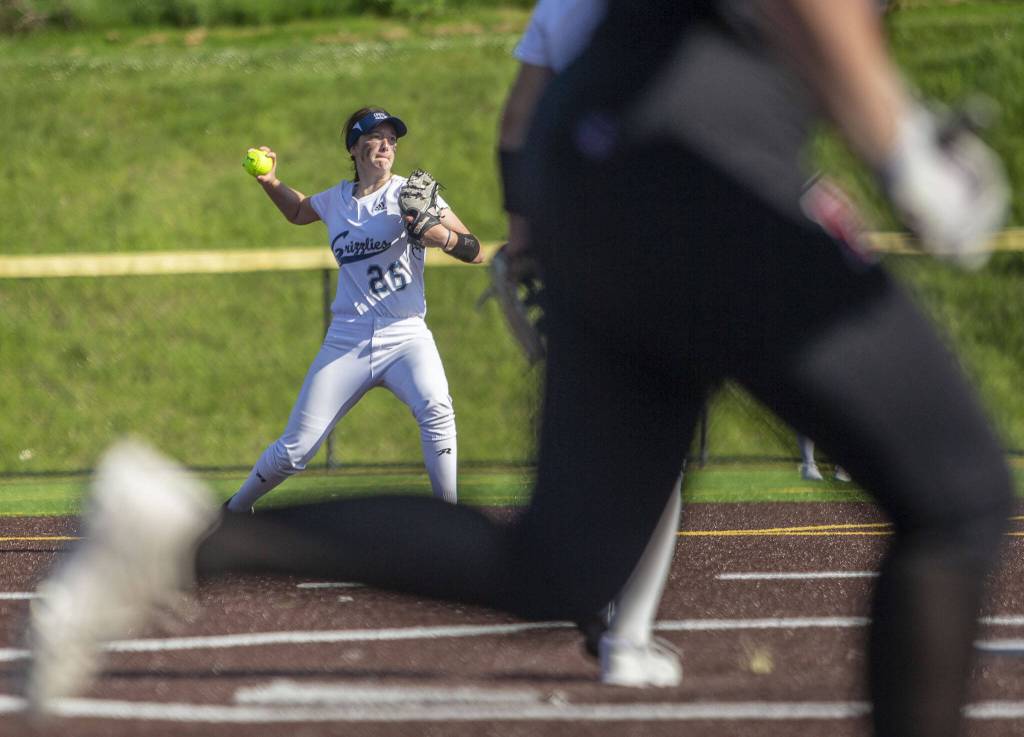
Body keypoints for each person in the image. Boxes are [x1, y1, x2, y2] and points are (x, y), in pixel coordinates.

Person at [27, 6, 1014, 737]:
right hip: (691, 159)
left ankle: (187, 535)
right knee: (958, 494)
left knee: (564, 559)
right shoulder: (339, 195)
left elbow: (532, 94)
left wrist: (515, 232)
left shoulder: (415, 178)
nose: (380, 146)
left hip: (592, 161)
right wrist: (901, 145)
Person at [496, 0, 682, 688]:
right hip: (658, 216)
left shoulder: (560, 4)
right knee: (660, 435)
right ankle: (625, 634)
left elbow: (517, 120)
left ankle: (603, 608)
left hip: (568, 221)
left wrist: (519, 235)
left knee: (597, 428)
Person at [224, 106, 483, 513]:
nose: (386, 145)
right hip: (348, 337)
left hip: (406, 335)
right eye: (376, 137)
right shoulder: (336, 201)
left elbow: (475, 250)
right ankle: (233, 510)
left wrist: (438, 235)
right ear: (355, 147)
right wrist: (271, 182)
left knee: (436, 409)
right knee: (296, 450)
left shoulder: (411, 193)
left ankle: (449, 515)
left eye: (392, 139)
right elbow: (298, 210)